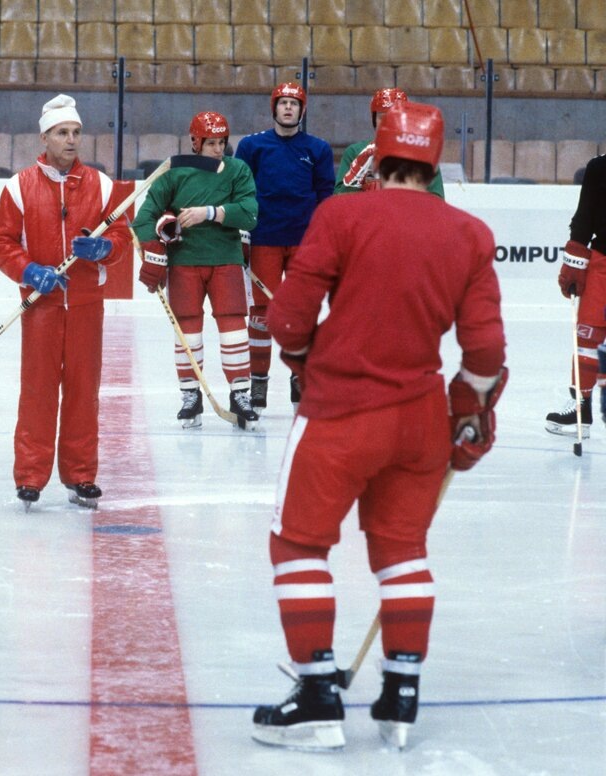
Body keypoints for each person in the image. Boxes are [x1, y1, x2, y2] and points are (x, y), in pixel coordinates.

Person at [252, 102, 507, 751]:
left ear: (378, 155)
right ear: (432, 160)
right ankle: (402, 694)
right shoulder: (470, 234)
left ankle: (315, 696)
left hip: (340, 412)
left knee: (299, 546)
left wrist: (304, 357)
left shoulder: (342, 214)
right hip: (419, 418)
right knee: (403, 552)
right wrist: (467, 411)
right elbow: (484, 356)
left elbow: (286, 321)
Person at [0, 94, 130, 509]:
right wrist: (29, 270)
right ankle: (31, 476)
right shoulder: (18, 186)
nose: (71, 140)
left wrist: (104, 248)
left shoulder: (102, 185)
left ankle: (81, 475)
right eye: (62, 133)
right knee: (38, 391)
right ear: (45, 136)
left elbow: (121, 237)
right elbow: (0, 241)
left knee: (84, 391)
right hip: (42, 306)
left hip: (86, 304)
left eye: (76, 133)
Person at [133, 110, 260, 430]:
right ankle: (191, 395)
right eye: (211, 143)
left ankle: (240, 393)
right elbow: (143, 219)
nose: (218, 149)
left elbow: (250, 214)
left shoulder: (237, 170)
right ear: (196, 142)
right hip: (185, 262)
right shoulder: (174, 172)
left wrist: (211, 212)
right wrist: (153, 252)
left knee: (233, 326)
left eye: (221, 142)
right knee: (187, 329)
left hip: (226, 259)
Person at [234, 83, 335, 415]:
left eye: (294, 103)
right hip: (264, 239)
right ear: (273, 108)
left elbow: (325, 197)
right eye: (283, 103)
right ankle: (259, 380)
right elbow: (240, 192)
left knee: (301, 312)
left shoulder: (317, 149)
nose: (288, 108)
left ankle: (298, 375)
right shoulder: (252, 146)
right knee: (261, 313)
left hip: (304, 244)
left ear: (302, 110)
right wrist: (242, 235)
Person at [547, 153, 605, 436]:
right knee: (587, 338)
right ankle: (582, 408)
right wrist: (574, 264)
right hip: (603, 264)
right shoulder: (600, 167)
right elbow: (584, 219)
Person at [335, 88, 445, 199]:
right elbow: (338, 200)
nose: (388, 123)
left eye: (395, 118)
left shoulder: (420, 152)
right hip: (365, 214)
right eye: (382, 117)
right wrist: (356, 174)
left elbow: (437, 201)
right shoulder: (355, 151)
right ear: (374, 119)